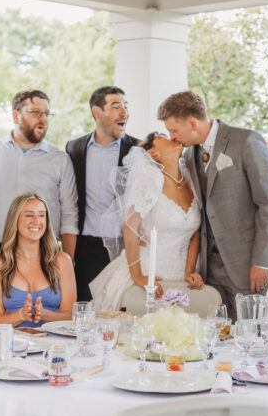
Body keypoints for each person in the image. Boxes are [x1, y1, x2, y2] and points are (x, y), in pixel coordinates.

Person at [160, 91, 268, 318]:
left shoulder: (246, 141)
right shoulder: (189, 156)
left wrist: (261, 261)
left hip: (247, 262)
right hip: (210, 267)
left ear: (192, 123)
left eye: (174, 130)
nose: (172, 137)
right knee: (217, 333)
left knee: (249, 331)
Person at [90, 133, 214, 312]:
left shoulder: (191, 180)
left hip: (180, 276)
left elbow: (195, 232)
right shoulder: (150, 178)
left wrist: (189, 271)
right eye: (163, 136)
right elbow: (130, 227)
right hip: (149, 272)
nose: (172, 137)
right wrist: (138, 276)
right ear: (153, 154)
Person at [0, 89, 78, 257]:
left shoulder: (60, 160)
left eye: (47, 114)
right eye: (36, 112)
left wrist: (68, 262)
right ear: (15, 116)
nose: (43, 119)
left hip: (45, 253)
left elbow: (70, 215)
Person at [65, 86, 139, 301]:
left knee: (121, 310)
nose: (124, 113)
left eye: (126, 107)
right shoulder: (74, 148)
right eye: (116, 107)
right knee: (86, 311)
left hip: (124, 249)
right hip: (86, 248)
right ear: (97, 112)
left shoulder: (138, 149)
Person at [0, 193, 76, 329]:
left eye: (41, 215)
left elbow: (70, 316)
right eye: (29, 215)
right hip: (16, 344)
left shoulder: (62, 260)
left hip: (54, 344)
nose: (37, 221)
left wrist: (44, 315)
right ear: (15, 221)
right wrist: (21, 315)